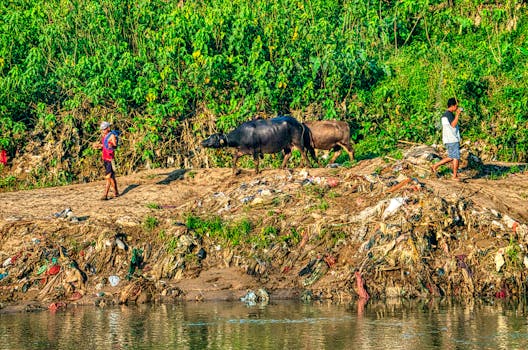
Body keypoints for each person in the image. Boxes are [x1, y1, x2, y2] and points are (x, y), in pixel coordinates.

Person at [431, 97, 462, 181]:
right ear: (453, 106)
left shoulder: (444, 115)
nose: (457, 108)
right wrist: (458, 115)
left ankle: (435, 165)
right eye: (456, 106)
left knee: (451, 157)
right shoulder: (450, 115)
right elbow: (453, 125)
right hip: (452, 139)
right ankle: (455, 176)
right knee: (456, 157)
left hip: (448, 139)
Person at [93, 121, 119, 200]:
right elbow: (104, 146)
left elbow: (115, 146)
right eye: (102, 129)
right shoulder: (104, 136)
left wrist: (112, 145)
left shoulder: (112, 136)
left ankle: (105, 194)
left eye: (104, 129)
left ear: (108, 128)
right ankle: (116, 193)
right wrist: (98, 146)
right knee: (111, 177)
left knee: (108, 177)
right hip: (105, 158)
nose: (103, 131)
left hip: (110, 159)